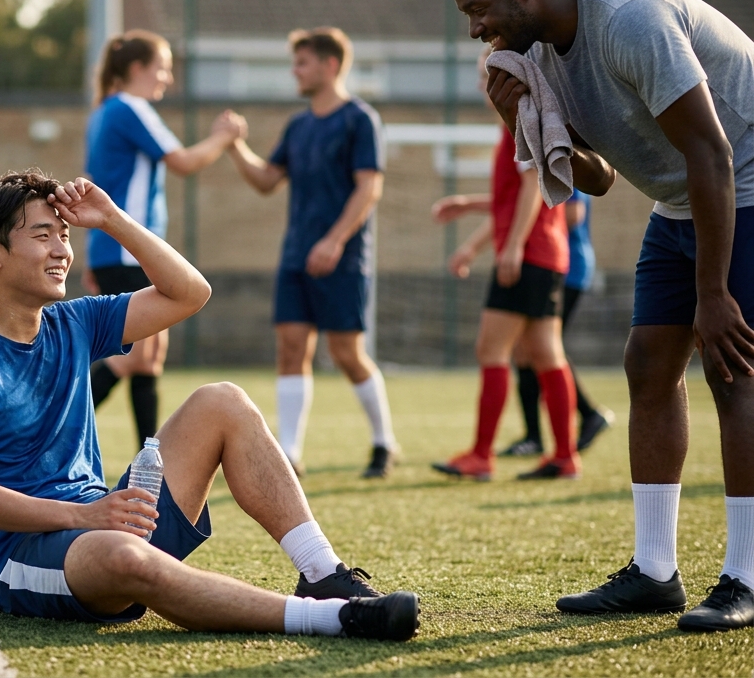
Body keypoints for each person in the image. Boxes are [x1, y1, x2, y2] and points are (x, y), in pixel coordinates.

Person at [0, 170, 419, 640]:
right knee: (126, 557)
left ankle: (323, 575)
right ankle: (335, 619)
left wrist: (112, 218)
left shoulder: (75, 322)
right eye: (43, 235)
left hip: (106, 521)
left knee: (222, 401)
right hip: (26, 555)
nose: (62, 250)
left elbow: (189, 293)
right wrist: (83, 517)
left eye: (65, 236)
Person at [451, 0, 754, 631]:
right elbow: (600, 178)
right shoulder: (539, 54)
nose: (476, 30)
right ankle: (655, 572)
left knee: (733, 369)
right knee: (649, 364)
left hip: (742, 182)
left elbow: (713, 152)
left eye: (480, 9)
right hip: (685, 197)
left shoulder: (629, 19)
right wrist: (519, 120)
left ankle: (744, 575)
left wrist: (713, 294)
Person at [223, 27, 398, 479]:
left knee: (345, 352)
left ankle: (384, 443)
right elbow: (266, 180)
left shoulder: (360, 119)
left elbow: (369, 188)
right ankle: (290, 454)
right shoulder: (298, 125)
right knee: (291, 349)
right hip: (295, 256)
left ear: (330, 65)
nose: (294, 72)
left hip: (343, 258)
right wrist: (234, 145)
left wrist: (335, 240)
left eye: (302, 63)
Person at [83, 30, 244, 448]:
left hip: (118, 253)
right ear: (137, 69)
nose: (167, 79)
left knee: (149, 359)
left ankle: (147, 459)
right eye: (162, 68)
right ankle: (48, 431)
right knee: (136, 356)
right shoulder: (129, 108)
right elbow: (184, 162)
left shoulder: (105, 111)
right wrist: (224, 137)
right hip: (127, 252)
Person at [430, 48, 579, 482]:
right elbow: (511, 201)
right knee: (546, 354)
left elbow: (532, 187)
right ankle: (565, 457)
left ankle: (481, 456)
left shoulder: (519, 124)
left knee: (491, 350)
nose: (482, 86)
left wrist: (511, 248)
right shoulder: (519, 125)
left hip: (530, 253)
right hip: (548, 254)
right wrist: (474, 234)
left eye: (486, 77)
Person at [501, 189, 615, 457]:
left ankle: (580, 419)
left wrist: (529, 221)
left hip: (566, 267)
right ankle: (539, 435)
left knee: (540, 348)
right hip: (550, 265)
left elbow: (575, 213)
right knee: (526, 348)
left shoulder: (561, 159)